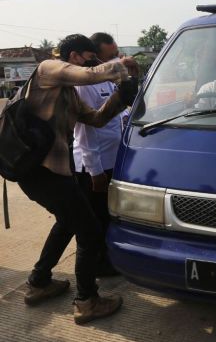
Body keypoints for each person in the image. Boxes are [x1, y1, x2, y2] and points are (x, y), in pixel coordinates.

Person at [16, 34, 138, 325]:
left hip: (49, 172)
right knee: (90, 230)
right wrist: (121, 65)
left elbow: (96, 119)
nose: (96, 63)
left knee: (68, 222)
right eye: (91, 57)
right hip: (39, 172)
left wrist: (121, 97)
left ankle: (39, 282)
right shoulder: (48, 69)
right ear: (74, 56)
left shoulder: (68, 94)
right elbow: (89, 75)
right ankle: (87, 301)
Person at [72, 32, 127, 278]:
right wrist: (95, 171)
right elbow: (86, 131)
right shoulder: (84, 86)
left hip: (114, 158)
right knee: (94, 220)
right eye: (110, 56)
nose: (116, 60)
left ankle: (107, 258)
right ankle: (97, 267)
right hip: (94, 166)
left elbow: (119, 116)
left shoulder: (109, 81)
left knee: (108, 215)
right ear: (95, 58)